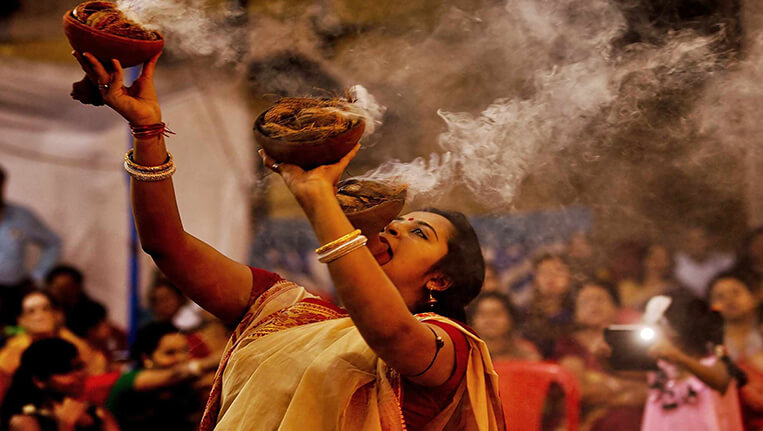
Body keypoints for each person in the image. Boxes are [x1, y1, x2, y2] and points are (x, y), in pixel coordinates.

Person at [71, 51, 504, 430]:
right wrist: (147, 131)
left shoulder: (449, 345)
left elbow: (389, 333)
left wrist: (316, 195)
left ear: (441, 280)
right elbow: (167, 246)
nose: (394, 227)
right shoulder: (286, 310)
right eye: (399, 220)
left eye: (419, 233)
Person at [641, 294, 744, 431]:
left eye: (663, 323)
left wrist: (679, 357)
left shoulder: (715, 364)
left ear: (678, 330)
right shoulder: (661, 366)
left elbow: (719, 380)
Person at [554, 280, 646, 431]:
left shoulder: (634, 339)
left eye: (600, 299)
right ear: (575, 313)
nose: (593, 306)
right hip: (593, 418)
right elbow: (578, 391)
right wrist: (626, 393)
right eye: (585, 302)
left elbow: (653, 386)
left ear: (617, 307)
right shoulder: (570, 345)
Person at [0, 291, 107, 406]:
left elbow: (96, 380)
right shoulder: (13, 350)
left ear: (57, 314)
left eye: (46, 309)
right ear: (21, 320)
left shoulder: (76, 345)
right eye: (31, 312)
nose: (40, 316)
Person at [106, 322, 216, 431]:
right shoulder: (128, 380)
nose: (181, 358)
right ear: (146, 358)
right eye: (170, 353)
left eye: (184, 351)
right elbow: (174, 375)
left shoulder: (186, 388)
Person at [0, 337, 119, 431]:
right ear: (39, 381)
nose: (78, 376)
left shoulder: (96, 413)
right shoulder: (25, 420)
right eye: (64, 371)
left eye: (79, 367)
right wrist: (65, 425)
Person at [0, 165, 61, 326]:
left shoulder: (21, 216)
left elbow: (53, 242)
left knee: (16, 334)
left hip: (15, 291)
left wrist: (38, 275)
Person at [708, 271, 763, 429]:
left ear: (754, 296)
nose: (729, 300)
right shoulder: (708, 348)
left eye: (736, 292)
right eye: (720, 296)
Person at [521, 253, 574, 358]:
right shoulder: (523, 315)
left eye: (558, 271)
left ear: (570, 276)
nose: (551, 277)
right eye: (544, 272)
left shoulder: (578, 313)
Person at [467, 292, 540, 361]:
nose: (489, 320)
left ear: (511, 319)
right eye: (483, 315)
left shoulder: (526, 354)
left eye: (496, 314)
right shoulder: (463, 353)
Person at [673, 226, 734, 298]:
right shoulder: (676, 264)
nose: (696, 244)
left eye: (701, 239)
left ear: (709, 241)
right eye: (690, 240)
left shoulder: (724, 263)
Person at [618, 244, 680, 311]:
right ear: (644, 261)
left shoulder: (674, 289)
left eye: (663, 259)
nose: (658, 264)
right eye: (654, 258)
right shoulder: (628, 285)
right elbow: (627, 305)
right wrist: (660, 288)